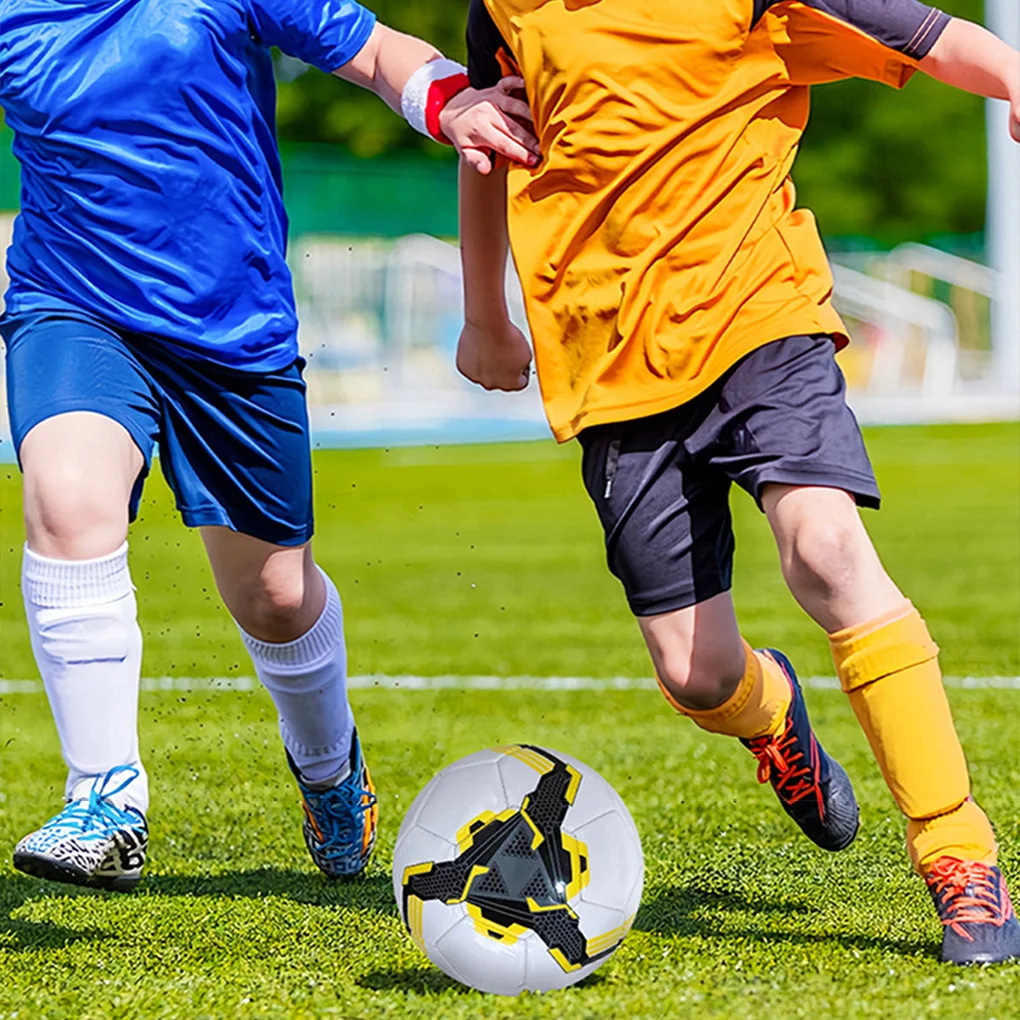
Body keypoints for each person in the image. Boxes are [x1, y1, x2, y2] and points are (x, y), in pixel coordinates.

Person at [456, 0, 1020, 965]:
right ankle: (775, 719)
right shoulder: (503, 10)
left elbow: (922, 36)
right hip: (610, 357)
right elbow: (488, 141)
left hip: (758, 313)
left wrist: (1010, 75)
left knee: (827, 549)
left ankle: (960, 855)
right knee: (695, 671)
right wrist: (486, 315)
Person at [1, 0, 540, 891]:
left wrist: (450, 102)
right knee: (66, 498)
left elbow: (372, 52)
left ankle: (330, 770)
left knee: (277, 598)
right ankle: (105, 796)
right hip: (72, 306)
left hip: (233, 331)